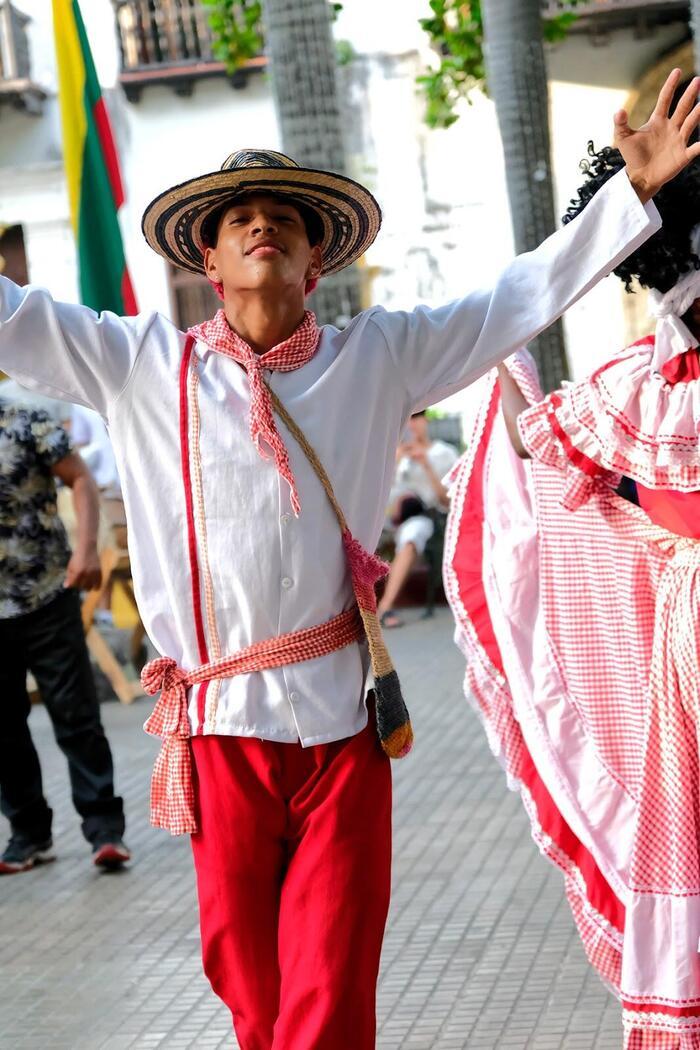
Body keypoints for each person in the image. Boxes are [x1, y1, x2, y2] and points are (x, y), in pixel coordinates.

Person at [0, 70, 696, 1048]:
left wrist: (631, 197)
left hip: (344, 728)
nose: (260, 227)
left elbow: (516, 296)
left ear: (315, 252)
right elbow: (15, 320)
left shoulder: (382, 354)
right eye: (238, 215)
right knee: (251, 989)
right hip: (217, 728)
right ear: (206, 251)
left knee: (328, 992)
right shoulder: (135, 360)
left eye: (282, 214)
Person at [444, 145, 700, 1049]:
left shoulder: (643, 385)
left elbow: (533, 442)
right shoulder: (646, 384)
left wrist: (499, 363)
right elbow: (537, 445)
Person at [0, 394, 130, 873]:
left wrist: (87, 551)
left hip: (47, 595)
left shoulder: (25, 419)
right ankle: (28, 835)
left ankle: (104, 831)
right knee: (4, 730)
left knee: (76, 718)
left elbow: (79, 478)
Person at [378, 410, 458, 627]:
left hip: (426, 516)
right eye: (409, 418)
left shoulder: (444, 453)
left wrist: (426, 465)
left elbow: (448, 501)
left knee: (413, 534)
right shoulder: (395, 454)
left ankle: (385, 608)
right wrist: (393, 462)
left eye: (417, 416)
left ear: (426, 420)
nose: (412, 423)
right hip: (388, 517)